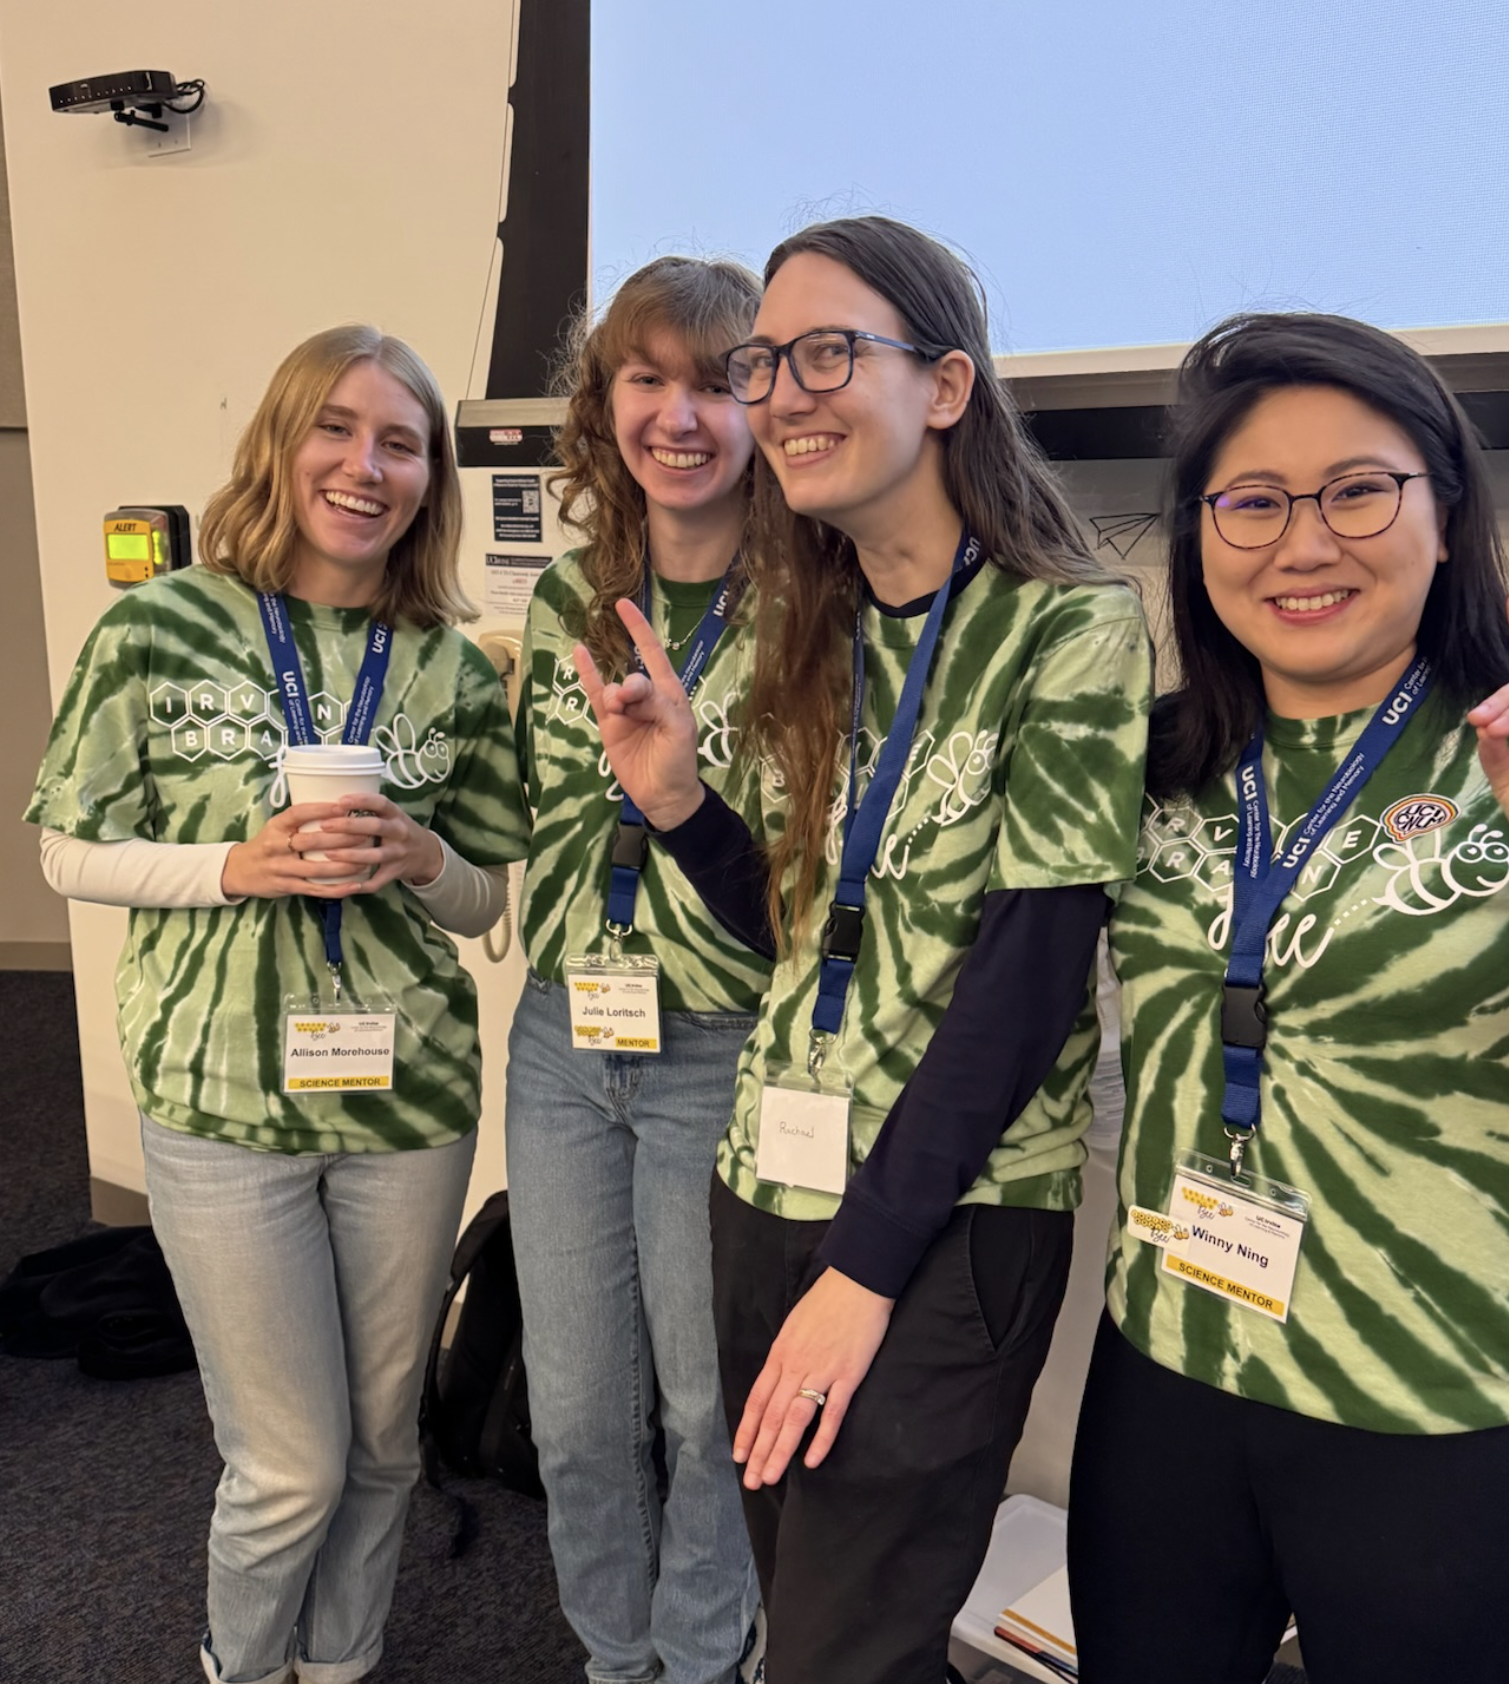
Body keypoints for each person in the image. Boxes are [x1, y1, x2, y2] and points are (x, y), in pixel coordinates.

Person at [1069, 311, 1509, 1684]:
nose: (1300, 541)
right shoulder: (1163, 761)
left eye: (1356, 490)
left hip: (1448, 1414)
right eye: (1250, 501)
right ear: (1201, 534)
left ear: (1443, 510)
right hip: (1171, 1369)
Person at [574, 214, 1151, 1684]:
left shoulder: (1067, 626)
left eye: (829, 351)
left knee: (844, 1652)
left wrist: (867, 1270)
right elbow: (789, 928)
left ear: (945, 386)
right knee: (811, 1627)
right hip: (764, 1182)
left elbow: (1027, 979)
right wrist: (682, 803)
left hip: (944, 1224)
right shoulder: (811, 624)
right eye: (767, 359)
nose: (780, 392)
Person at [27, 324, 529, 1684]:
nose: (367, 467)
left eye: (403, 443)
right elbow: (62, 847)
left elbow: (488, 903)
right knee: (288, 1467)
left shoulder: (443, 660)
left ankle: (343, 1665)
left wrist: (428, 862)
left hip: (409, 1099)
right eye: (339, 428)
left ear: (432, 477)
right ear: (281, 440)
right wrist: (233, 866)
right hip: (219, 1102)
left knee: (380, 1448)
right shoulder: (160, 624)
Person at [504, 256, 765, 1684]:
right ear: (603, 405)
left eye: (719, 382)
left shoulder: (821, 606)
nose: (679, 414)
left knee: (700, 1406)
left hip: (716, 1042)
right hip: (557, 1040)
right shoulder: (565, 603)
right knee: (574, 1414)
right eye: (645, 379)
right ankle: (614, 1657)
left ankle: (700, 1656)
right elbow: (530, 815)